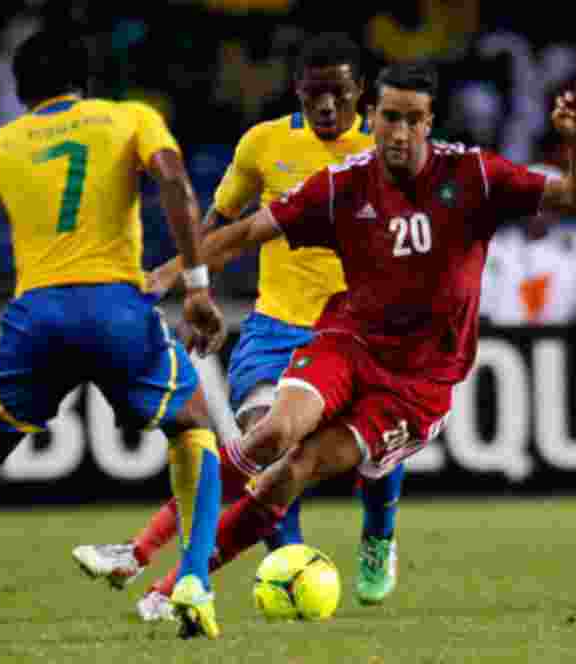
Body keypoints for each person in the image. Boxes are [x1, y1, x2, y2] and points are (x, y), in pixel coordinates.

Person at [128, 61, 576, 590]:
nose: (400, 132)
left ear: (429, 122)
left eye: (413, 119)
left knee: (300, 466)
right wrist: (179, 277)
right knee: (274, 435)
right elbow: (241, 234)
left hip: (418, 384)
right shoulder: (342, 185)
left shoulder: (474, 175)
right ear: (371, 117)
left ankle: (365, 540)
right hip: (347, 344)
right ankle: (160, 569)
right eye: (390, 117)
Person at [0, 29, 227, 644]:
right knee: (194, 425)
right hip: (117, 304)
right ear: (84, 80)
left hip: (36, 320)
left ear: (19, 89)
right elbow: (175, 182)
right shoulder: (131, 118)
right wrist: (195, 285)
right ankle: (194, 576)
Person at [74, 32, 408, 618]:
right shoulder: (263, 145)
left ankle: (378, 537)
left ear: (360, 91)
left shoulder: (387, 148)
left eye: (339, 93)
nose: (327, 106)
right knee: (268, 453)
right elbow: (222, 223)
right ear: (298, 91)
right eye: (314, 94)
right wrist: (188, 286)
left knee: (381, 451)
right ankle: (292, 564)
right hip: (276, 328)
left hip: (363, 332)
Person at [481, 164, 576, 325]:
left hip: (560, 340)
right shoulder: (494, 246)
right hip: (504, 342)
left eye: (551, 200)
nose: (542, 208)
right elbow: (482, 312)